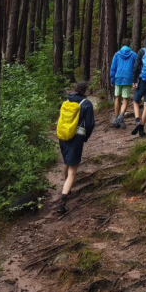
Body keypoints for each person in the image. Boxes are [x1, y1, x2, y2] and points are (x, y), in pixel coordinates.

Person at [56, 80, 95, 214]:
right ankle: (63, 200)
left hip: (63, 136)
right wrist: (86, 137)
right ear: (86, 91)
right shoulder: (87, 104)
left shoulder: (67, 102)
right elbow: (89, 124)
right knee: (73, 170)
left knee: (67, 161)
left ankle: (66, 187)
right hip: (77, 137)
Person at [110, 38, 137, 129]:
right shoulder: (134, 55)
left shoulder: (117, 54)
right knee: (125, 99)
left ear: (121, 45)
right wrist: (135, 79)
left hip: (118, 78)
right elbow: (136, 68)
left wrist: (112, 79)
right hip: (128, 79)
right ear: (129, 45)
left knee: (117, 98)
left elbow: (113, 68)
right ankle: (121, 116)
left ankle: (117, 118)